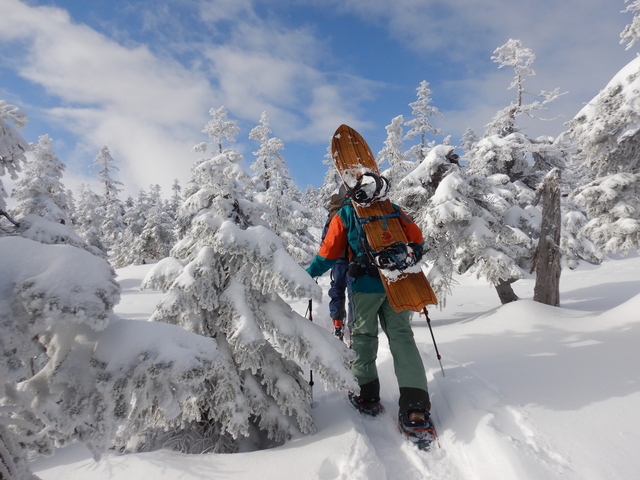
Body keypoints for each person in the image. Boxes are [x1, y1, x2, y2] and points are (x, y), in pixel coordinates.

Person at [306, 183, 431, 430]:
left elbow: (328, 253)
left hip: (364, 286)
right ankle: (415, 407)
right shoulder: (392, 209)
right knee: (402, 337)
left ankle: (367, 395)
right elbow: (417, 241)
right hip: (398, 283)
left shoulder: (346, 214)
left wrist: (308, 274)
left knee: (363, 336)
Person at [322, 187, 350, 340]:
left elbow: (325, 239)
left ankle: (337, 322)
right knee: (354, 293)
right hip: (353, 259)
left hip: (337, 260)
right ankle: (355, 325)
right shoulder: (352, 211)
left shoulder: (332, 216)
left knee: (337, 289)